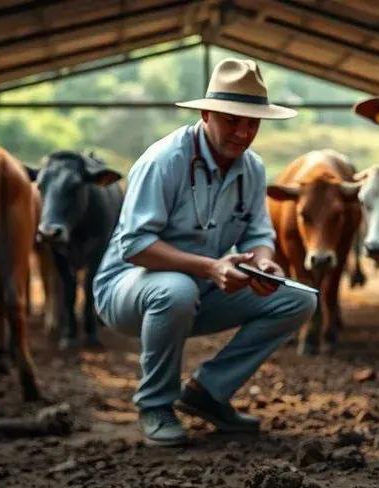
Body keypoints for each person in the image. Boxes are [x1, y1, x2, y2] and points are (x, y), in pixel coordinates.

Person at [93, 58, 316, 446]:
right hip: (127, 290)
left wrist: (264, 262)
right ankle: (155, 404)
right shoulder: (164, 161)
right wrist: (212, 267)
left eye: (253, 122)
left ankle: (207, 393)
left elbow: (258, 233)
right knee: (175, 289)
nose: (244, 132)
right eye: (233, 120)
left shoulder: (252, 168)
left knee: (296, 299)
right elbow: (135, 246)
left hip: (201, 286)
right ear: (207, 113)